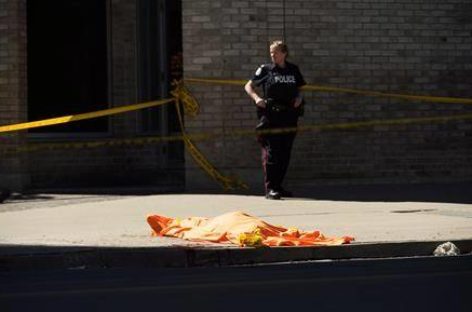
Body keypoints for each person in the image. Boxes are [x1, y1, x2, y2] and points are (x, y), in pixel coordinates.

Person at [244, 40, 306, 200]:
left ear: (284, 53)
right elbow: (248, 86)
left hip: (289, 116)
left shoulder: (293, 69)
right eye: (271, 52)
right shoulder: (265, 69)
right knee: (272, 152)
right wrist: (257, 98)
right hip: (271, 115)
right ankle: (270, 188)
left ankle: (278, 186)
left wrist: (299, 97)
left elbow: (300, 88)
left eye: (276, 52)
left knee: (285, 152)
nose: (273, 55)